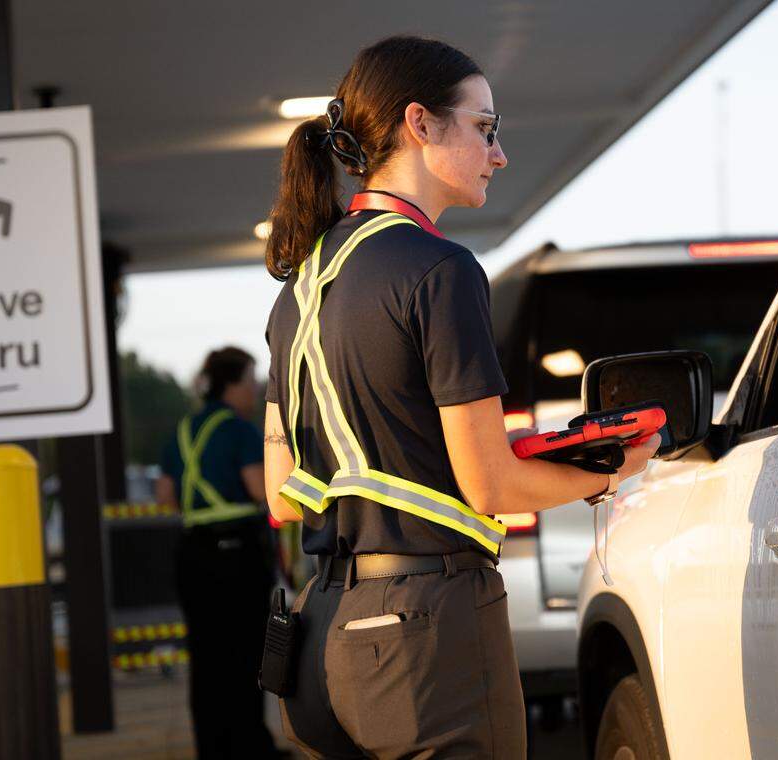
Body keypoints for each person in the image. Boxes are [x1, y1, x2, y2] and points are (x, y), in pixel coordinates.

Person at [261, 36, 659, 759]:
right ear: (420, 122)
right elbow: (489, 482)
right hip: (426, 635)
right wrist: (614, 471)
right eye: (484, 127)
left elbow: (283, 498)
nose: (498, 153)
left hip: (321, 640)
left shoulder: (300, 289)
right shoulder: (439, 269)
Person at [156, 346, 282, 759]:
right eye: (250, 380)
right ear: (233, 383)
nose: (254, 389)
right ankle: (250, 747)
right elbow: (260, 490)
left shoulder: (182, 430)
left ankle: (212, 748)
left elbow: (166, 498)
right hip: (237, 555)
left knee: (206, 657)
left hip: (191, 555)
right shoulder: (239, 429)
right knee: (245, 652)